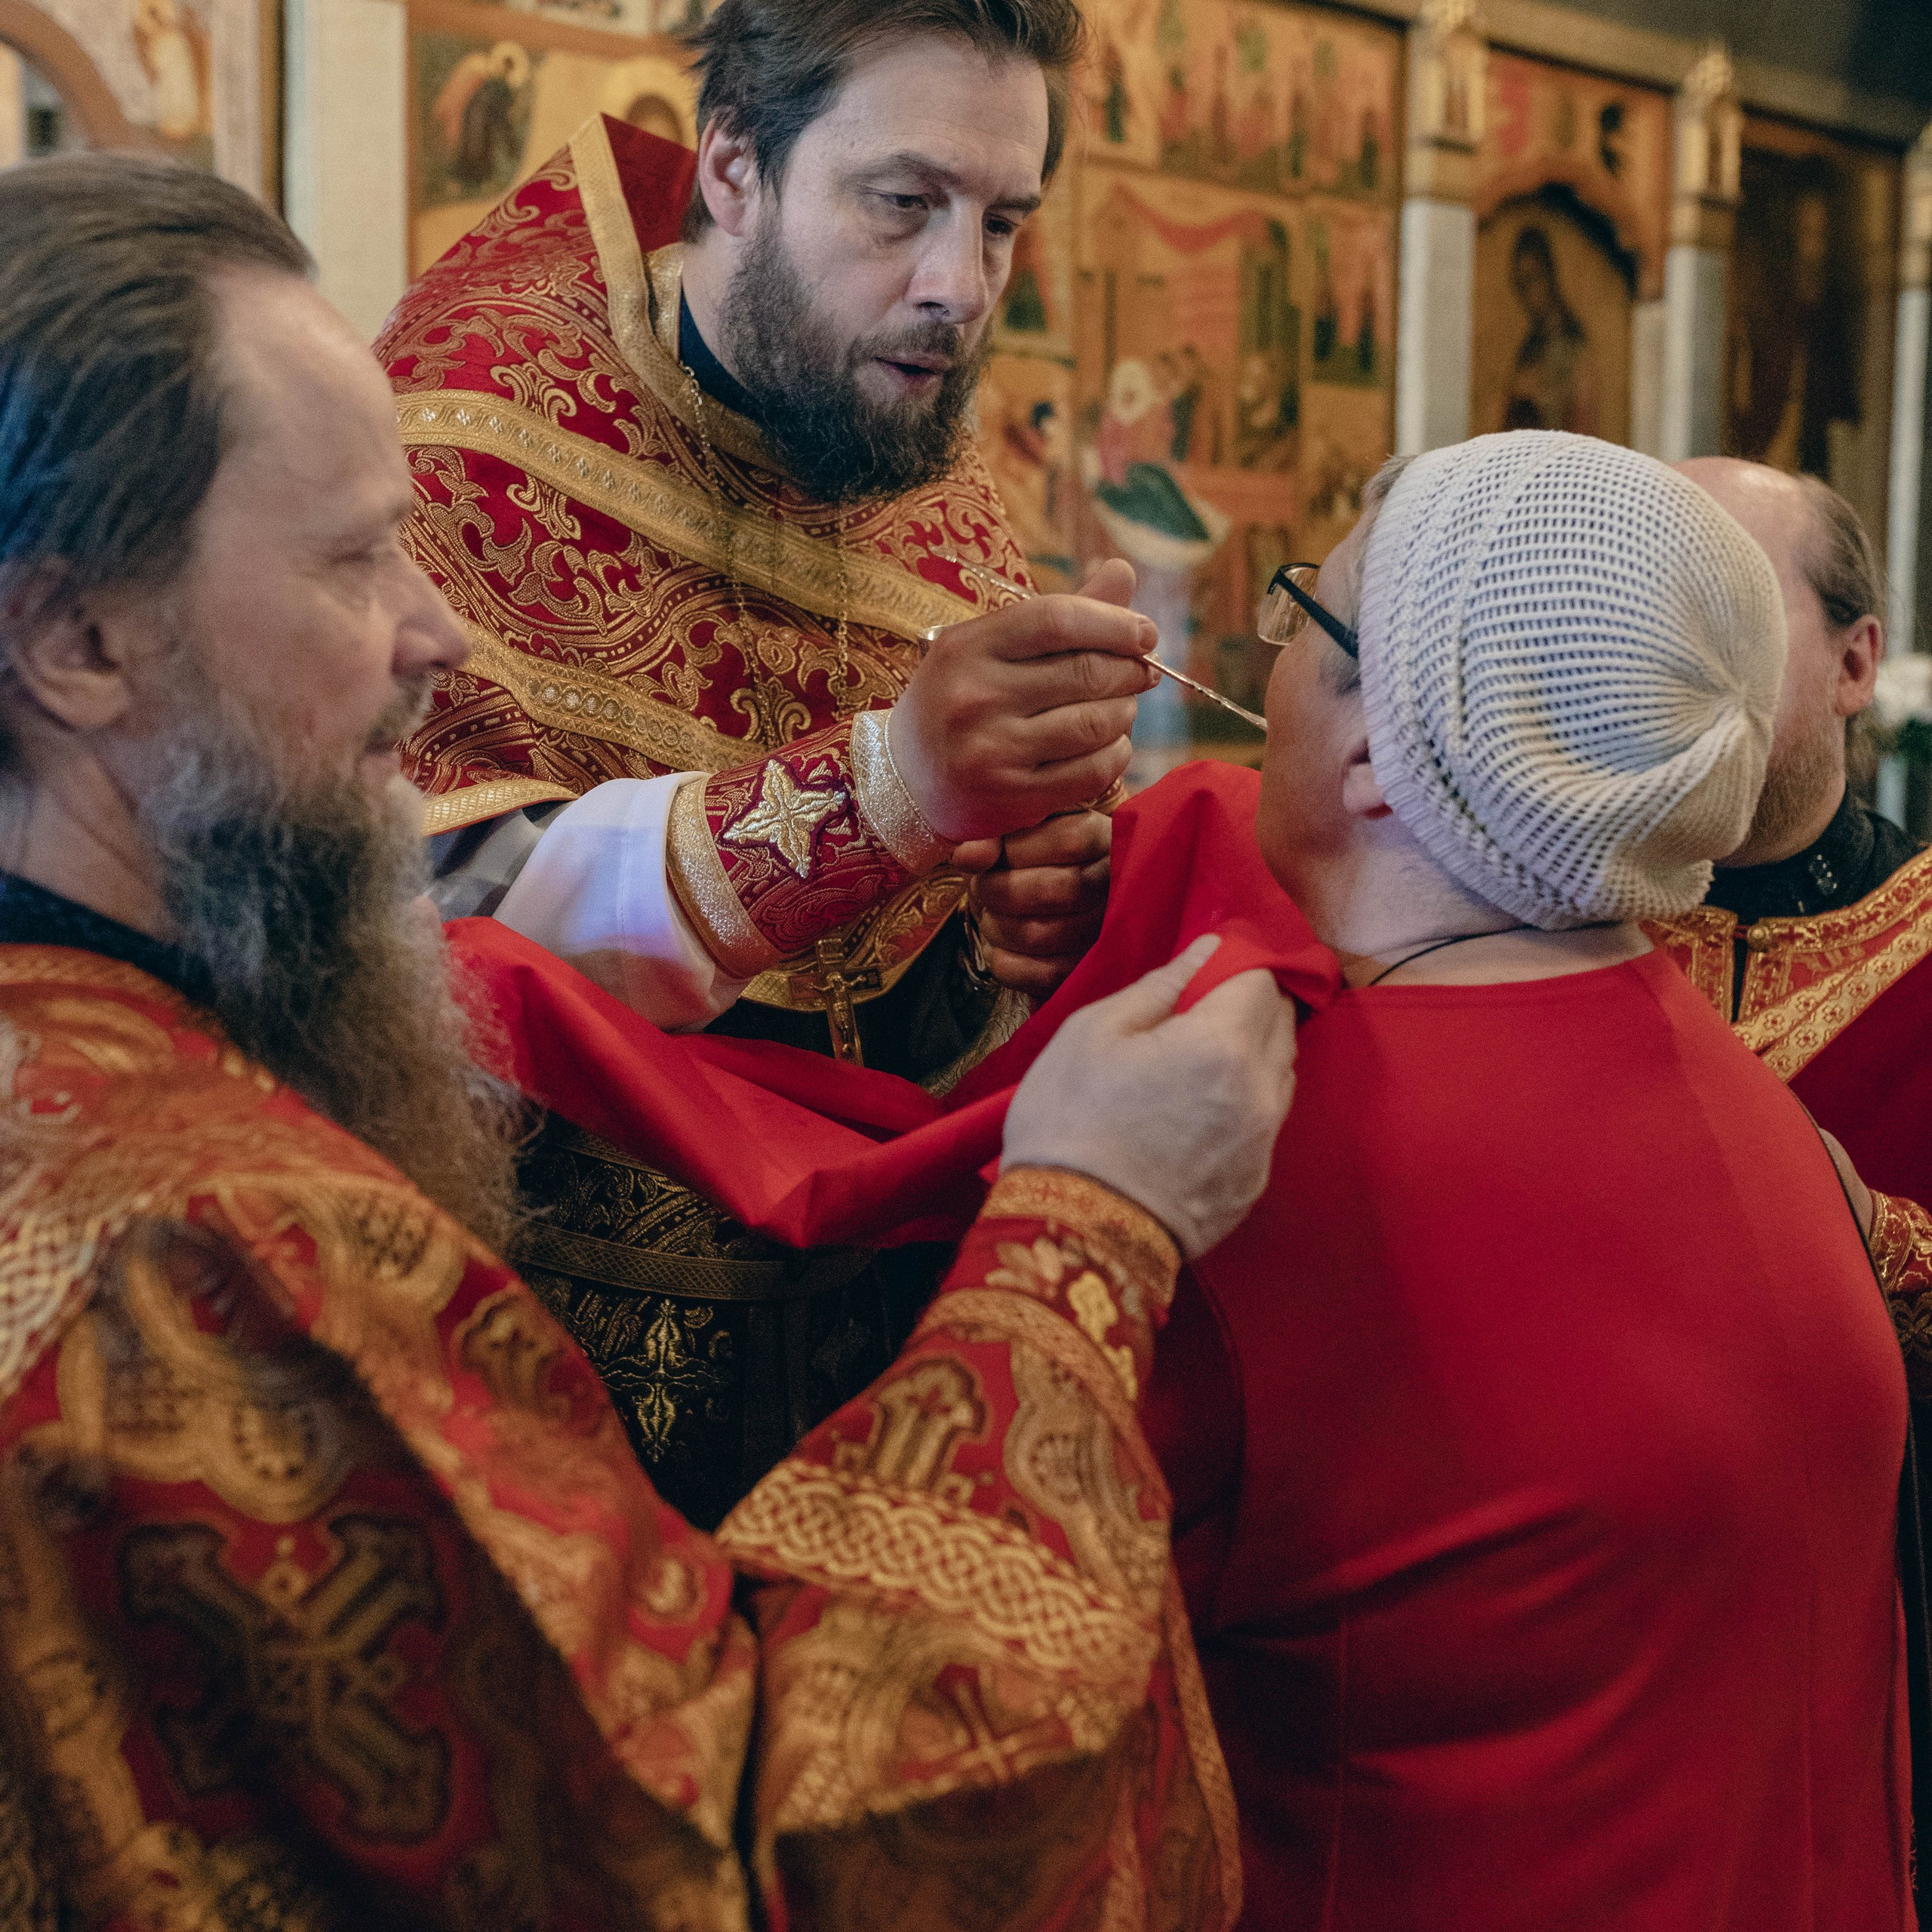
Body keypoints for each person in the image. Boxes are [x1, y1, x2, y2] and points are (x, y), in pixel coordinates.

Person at [0, 153, 1300, 1930]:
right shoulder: (226, 1255)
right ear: (74, 638)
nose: (436, 637)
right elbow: (749, 1854)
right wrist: (1083, 1230)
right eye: (353, 557)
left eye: (1005, 223)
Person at [379, 0, 1149, 1522]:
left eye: (1003, 222)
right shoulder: (447, 446)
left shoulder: (941, 510)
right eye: (903, 204)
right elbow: (412, 932)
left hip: (848, 1397)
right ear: (730, 167)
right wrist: (889, 789)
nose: (960, 286)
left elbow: (898, 1038)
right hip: (521, 1386)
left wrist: (1014, 937)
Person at [1143, 431, 1911, 1926]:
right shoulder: (1757, 1111)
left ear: (1378, 753)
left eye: (1310, 609)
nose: (1273, 639)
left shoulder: (1252, 1162)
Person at [1647, 459, 1932, 1207]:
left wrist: (1868, 1234)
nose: (1669, 657)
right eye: (1641, 612)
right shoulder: (1524, 915)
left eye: (1726, 609)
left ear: (1853, 663)